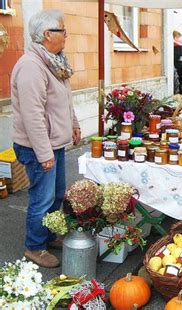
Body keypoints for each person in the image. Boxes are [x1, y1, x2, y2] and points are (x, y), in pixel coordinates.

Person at [11, 9, 81, 268]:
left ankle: (49, 234)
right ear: (46, 35)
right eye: (62, 30)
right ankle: (34, 246)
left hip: (54, 143)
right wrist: (44, 154)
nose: (66, 35)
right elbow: (33, 116)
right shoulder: (31, 66)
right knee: (42, 198)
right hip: (38, 146)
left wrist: (73, 124)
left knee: (56, 195)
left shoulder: (55, 61)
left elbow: (64, 99)